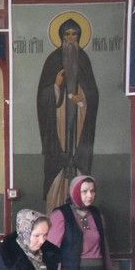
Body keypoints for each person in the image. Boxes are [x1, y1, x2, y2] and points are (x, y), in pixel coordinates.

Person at [36, 17, 98, 212]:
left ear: (79, 36)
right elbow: (42, 96)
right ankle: (55, 212)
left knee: (78, 165)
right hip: (58, 125)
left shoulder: (84, 59)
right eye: (67, 34)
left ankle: (79, 212)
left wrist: (83, 98)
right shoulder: (53, 60)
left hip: (79, 123)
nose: (71, 38)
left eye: (74, 34)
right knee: (57, 168)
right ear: (61, 36)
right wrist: (55, 86)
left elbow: (93, 93)